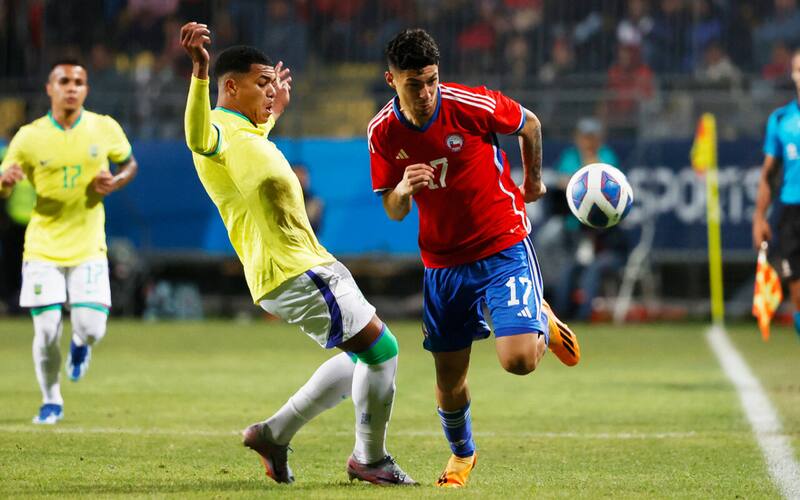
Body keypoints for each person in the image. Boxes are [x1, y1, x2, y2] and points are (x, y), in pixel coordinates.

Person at [180, 22, 415, 486]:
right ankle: (369, 459)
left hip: (308, 263)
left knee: (361, 358)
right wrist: (199, 72)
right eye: (261, 83)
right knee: (381, 351)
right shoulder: (215, 132)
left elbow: (251, 134)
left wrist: (272, 111)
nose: (271, 90)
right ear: (231, 86)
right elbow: (197, 134)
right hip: (291, 269)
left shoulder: (248, 131)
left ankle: (274, 434)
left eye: (274, 82)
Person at [368, 28, 581, 488]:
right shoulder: (383, 133)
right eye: (413, 84)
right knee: (449, 380)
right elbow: (392, 207)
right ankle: (462, 455)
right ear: (392, 80)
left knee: (519, 360)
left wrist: (534, 182)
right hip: (442, 265)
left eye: (431, 80)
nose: (425, 93)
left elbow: (530, 124)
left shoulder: (470, 104)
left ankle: (538, 319)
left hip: (501, 244)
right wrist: (404, 187)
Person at [0, 59, 139, 424]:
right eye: (64, 80)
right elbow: (4, 179)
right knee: (46, 331)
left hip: (89, 245)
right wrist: (6, 182)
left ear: (86, 89)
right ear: (50, 89)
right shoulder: (29, 137)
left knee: (92, 328)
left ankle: (81, 345)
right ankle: (51, 400)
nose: (72, 86)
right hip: (43, 246)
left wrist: (117, 180)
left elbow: (129, 164)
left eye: (79, 81)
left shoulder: (104, 128)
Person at [553, 118, 628, 320]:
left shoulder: (606, 156)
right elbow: (562, 182)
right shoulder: (570, 156)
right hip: (575, 230)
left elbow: (607, 184)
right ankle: (561, 315)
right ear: (578, 138)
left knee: (592, 270)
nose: (588, 142)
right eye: (585, 137)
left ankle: (584, 316)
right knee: (567, 268)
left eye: (592, 137)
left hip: (604, 233)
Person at [753, 48, 800, 337]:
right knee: (797, 296)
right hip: (791, 213)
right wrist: (759, 217)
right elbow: (768, 174)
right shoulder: (781, 119)